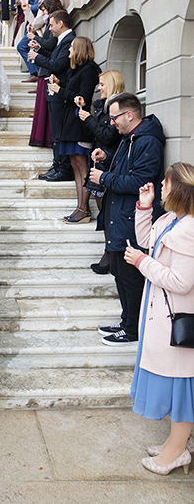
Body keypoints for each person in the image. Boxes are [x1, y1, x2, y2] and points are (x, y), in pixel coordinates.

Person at [124, 163, 194, 475]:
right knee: (175, 385)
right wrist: (145, 206)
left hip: (176, 321)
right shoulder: (170, 220)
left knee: (181, 389)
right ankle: (173, 445)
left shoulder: (189, 230)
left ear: (178, 189)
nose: (161, 187)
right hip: (160, 317)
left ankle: (177, 452)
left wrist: (142, 263)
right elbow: (145, 240)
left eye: (164, 184)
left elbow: (181, 281)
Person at [89, 93, 165, 345]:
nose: (112, 123)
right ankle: (126, 322)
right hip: (120, 215)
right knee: (120, 273)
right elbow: (127, 169)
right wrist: (107, 159)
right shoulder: (129, 138)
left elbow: (140, 181)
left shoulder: (147, 140)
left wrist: (104, 179)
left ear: (129, 115)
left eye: (114, 117)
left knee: (131, 279)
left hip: (134, 219)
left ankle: (133, 329)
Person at [48, 36, 100, 223]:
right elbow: (73, 90)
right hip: (69, 124)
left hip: (79, 124)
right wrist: (60, 84)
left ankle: (84, 209)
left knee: (82, 166)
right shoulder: (77, 69)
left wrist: (59, 90)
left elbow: (83, 98)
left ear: (79, 49)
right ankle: (80, 207)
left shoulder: (89, 70)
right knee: (75, 166)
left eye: (71, 47)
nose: (68, 50)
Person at [79, 70, 124, 273]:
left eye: (102, 85)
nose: (98, 88)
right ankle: (109, 253)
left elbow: (108, 136)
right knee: (104, 213)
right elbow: (94, 132)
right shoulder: (102, 106)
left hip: (110, 167)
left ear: (112, 85)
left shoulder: (119, 108)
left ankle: (111, 255)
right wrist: (88, 110)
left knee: (109, 213)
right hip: (99, 163)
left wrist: (89, 118)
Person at [28, 10, 75, 182]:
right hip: (54, 92)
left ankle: (63, 168)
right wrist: (39, 50)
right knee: (56, 133)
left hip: (60, 92)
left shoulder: (69, 40)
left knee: (59, 133)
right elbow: (54, 59)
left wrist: (37, 57)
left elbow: (57, 65)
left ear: (60, 24)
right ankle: (57, 165)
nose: (50, 29)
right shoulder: (62, 41)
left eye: (52, 24)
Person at [27, 0, 62, 148]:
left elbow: (50, 44)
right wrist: (38, 47)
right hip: (45, 65)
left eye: (44, 10)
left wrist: (35, 37)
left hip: (49, 69)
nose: (43, 13)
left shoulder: (53, 23)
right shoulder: (49, 23)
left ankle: (46, 139)